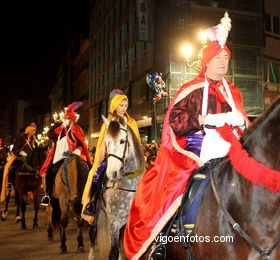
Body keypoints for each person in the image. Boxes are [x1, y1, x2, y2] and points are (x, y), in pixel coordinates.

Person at [123, 12, 250, 260]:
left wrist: (242, 122)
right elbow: (176, 122)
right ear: (207, 61)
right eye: (218, 57)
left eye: (226, 57)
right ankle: (165, 239)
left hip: (230, 149)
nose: (223, 62)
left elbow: (244, 122)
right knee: (175, 186)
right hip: (196, 148)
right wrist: (206, 120)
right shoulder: (191, 89)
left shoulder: (233, 91)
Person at [81, 89, 141, 222]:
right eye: (121, 105)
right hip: (113, 158)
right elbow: (103, 143)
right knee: (96, 176)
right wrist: (100, 160)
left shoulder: (132, 122)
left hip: (130, 159)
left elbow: (137, 142)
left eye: (125, 105)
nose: (124, 108)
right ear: (115, 106)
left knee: (147, 176)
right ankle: (92, 203)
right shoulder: (109, 122)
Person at [40, 102, 92, 206]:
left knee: (88, 169)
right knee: (51, 170)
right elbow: (50, 135)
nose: (67, 119)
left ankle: (90, 196)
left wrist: (78, 150)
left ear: (73, 119)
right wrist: (61, 127)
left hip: (74, 155)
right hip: (60, 156)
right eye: (66, 117)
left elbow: (81, 143)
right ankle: (48, 195)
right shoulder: (59, 126)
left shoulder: (77, 129)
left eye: (69, 118)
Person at [1, 123, 37, 202]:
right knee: (10, 168)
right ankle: (10, 183)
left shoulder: (34, 139)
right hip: (20, 157)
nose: (33, 132)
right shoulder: (21, 138)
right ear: (28, 130)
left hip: (30, 159)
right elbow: (15, 149)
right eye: (32, 130)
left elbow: (36, 149)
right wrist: (21, 153)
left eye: (34, 131)